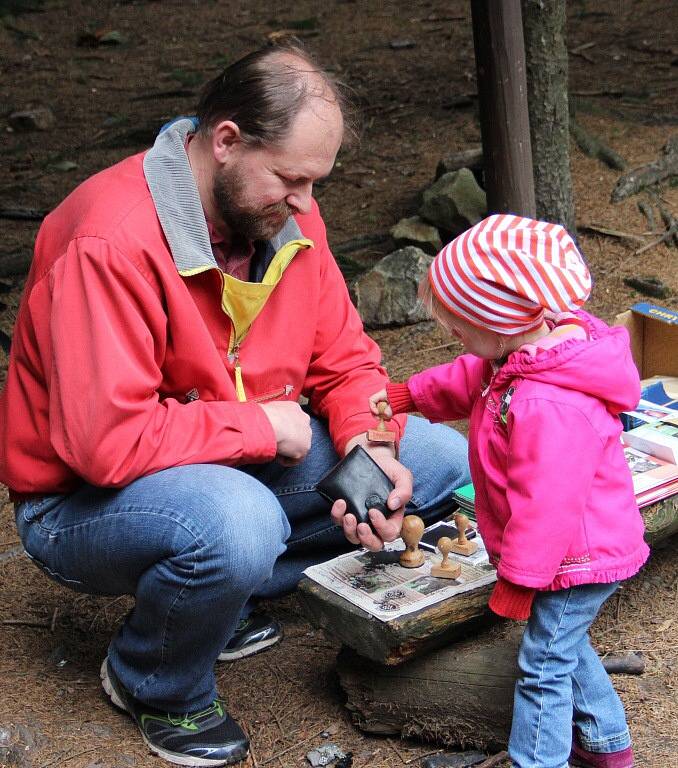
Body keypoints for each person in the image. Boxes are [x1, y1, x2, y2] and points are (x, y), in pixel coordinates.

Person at [0, 43, 470, 767]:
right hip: (80, 502)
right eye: (291, 178)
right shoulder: (108, 239)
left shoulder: (283, 219)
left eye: (317, 182)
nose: (307, 205)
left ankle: (226, 594)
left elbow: (345, 359)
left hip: (229, 458)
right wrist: (260, 426)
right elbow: (102, 442)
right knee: (237, 523)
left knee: (437, 458)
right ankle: (153, 680)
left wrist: (366, 443)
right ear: (225, 141)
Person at [369, 214, 649, 768]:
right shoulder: (522, 352)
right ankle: (606, 746)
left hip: (576, 555)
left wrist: (521, 581)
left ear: (503, 319)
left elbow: (548, 508)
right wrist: (411, 395)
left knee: (543, 665)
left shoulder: (552, 404)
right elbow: (470, 375)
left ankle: (537, 761)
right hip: (563, 555)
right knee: (566, 647)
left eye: (460, 324)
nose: (452, 334)